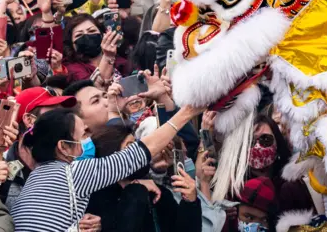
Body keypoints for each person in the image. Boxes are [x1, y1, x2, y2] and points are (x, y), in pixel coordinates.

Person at [11, 104, 203, 231]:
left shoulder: (33, 179)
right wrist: (186, 113)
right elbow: (142, 151)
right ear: (63, 147)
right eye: (83, 134)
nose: (89, 139)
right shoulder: (74, 173)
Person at [86, 124, 202, 232]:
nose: (138, 151)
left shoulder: (157, 192)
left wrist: (190, 202)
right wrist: (135, 189)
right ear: (111, 155)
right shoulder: (93, 199)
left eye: (137, 144)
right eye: (130, 146)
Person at [62, 13, 127, 84]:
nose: (87, 36)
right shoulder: (71, 69)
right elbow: (96, 90)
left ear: (102, 35)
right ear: (71, 44)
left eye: (92, 31)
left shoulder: (121, 61)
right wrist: (107, 57)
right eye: (79, 35)